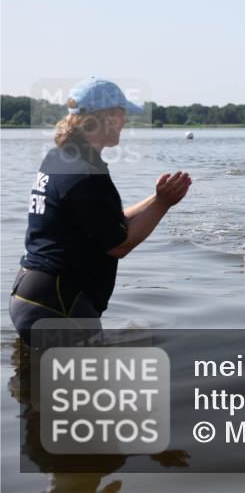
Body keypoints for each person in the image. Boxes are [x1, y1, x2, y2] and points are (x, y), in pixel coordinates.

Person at [9, 77, 192, 344]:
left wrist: (156, 198)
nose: (126, 121)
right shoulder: (85, 173)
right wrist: (164, 205)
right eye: (122, 113)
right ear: (104, 118)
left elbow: (105, 223)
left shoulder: (60, 157)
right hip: (59, 307)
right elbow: (118, 245)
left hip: (31, 297)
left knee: (34, 385)